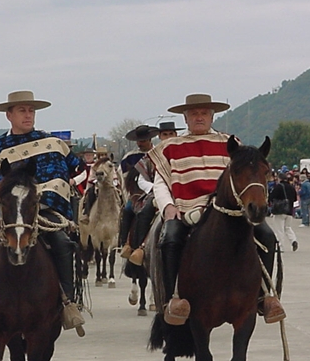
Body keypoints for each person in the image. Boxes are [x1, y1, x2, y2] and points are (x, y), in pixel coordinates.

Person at [147, 93, 285, 325]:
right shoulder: (169, 147)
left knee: (267, 236)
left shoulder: (230, 143)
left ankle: (263, 296)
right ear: (186, 117)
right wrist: (168, 207)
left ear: (212, 116)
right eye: (194, 114)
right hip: (186, 209)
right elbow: (161, 182)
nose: (199, 118)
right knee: (170, 238)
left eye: (203, 113)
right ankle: (172, 299)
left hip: (227, 210)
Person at [0, 90, 86, 333]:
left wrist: (65, 184)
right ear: (9, 115)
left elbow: (79, 169)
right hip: (4, 212)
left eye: (31, 110)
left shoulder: (52, 143)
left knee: (61, 243)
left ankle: (68, 303)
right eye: (22, 110)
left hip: (43, 210)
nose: (28, 115)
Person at [121, 121, 182, 265]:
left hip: (182, 193)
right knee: (138, 211)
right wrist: (157, 190)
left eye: (171, 134)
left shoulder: (182, 152)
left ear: (176, 135)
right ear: (160, 136)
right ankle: (137, 247)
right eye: (165, 134)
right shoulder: (150, 157)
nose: (168, 137)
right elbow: (140, 180)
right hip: (155, 193)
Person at [117, 125, 159, 260]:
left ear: (150, 139)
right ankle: (125, 243)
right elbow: (124, 179)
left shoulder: (158, 153)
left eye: (143, 140)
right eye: (139, 141)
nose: (140, 143)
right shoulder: (129, 157)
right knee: (128, 210)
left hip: (156, 191)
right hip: (135, 193)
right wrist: (127, 198)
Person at [269, 172, 298, 252]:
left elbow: (271, 197)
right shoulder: (291, 187)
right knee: (287, 227)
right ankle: (293, 240)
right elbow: (295, 199)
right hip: (289, 210)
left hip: (280, 210)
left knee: (279, 229)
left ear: (279, 179)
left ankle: (280, 247)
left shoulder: (278, 187)